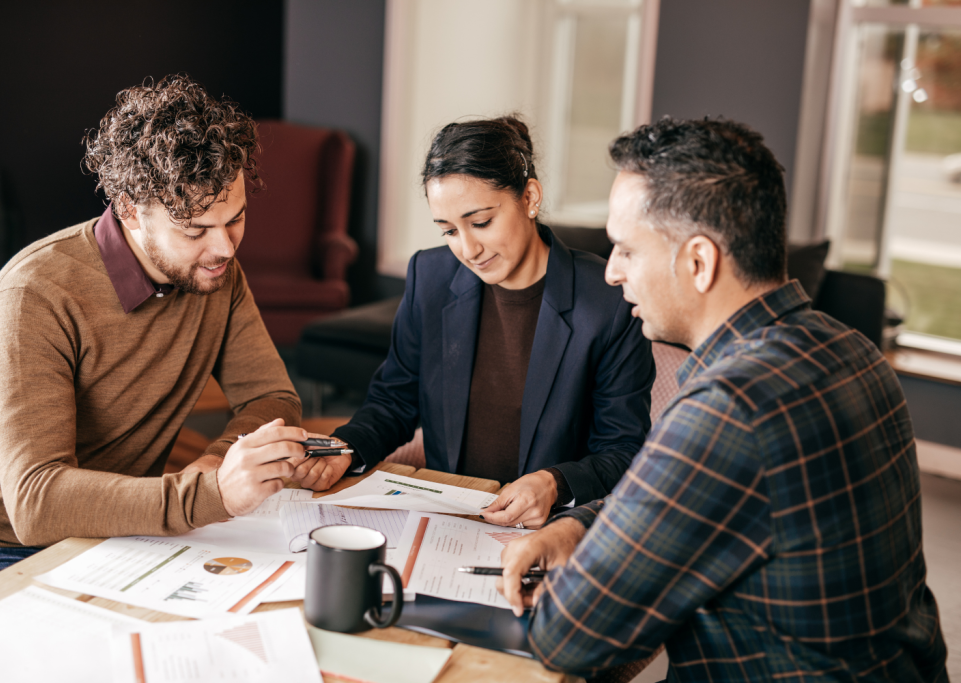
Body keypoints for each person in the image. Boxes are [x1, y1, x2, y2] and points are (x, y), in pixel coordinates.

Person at [498, 118, 947, 681]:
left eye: (626, 250)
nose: (611, 273)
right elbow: (694, 497)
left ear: (699, 261)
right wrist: (581, 524)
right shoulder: (848, 349)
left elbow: (571, 638)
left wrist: (581, 573)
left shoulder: (731, 407)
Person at [0, 75, 318, 600]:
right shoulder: (36, 291)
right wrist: (208, 494)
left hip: (119, 535)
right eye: (194, 230)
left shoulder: (217, 274)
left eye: (235, 220)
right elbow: (37, 502)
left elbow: (271, 397)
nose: (225, 249)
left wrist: (219, 460)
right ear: (130, 208)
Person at [309, 116, 655, 529]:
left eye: (481, 222)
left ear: (529, 197)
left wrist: (554, 483)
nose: (468, 249)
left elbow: (622, 449)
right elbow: (394, 401)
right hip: (446, 520)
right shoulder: (430, 277)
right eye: (449, 231)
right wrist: (344, 448)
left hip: (550, 529)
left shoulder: (607, 301)